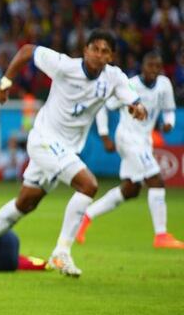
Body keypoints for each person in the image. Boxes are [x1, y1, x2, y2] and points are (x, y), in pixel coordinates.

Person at [0, 30, 147, 277]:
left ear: (111, 56)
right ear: (85, 50)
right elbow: (28, 50)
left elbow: (133, 100)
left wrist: (138, 108)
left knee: (26, 203)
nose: (99, 55)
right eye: (95, 48)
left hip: (65, 149)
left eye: (105, 51)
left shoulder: (114, 78)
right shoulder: (64, 66)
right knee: (88, 185)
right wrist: (5, 83)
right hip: (44, 140)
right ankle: (61, 252)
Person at [77, 52, 183, 248]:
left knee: (130, 190)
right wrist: (104, 135)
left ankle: (86, 217)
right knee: (156, 181)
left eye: (157, 67)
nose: (153, 70)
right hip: (128, 138)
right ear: (142, 67)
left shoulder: (164, 84)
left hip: (144, 141)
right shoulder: (130, 85)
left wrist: (169, 123)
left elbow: (168, 109)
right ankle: (161, 235)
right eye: (149, 66)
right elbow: (104, 106)